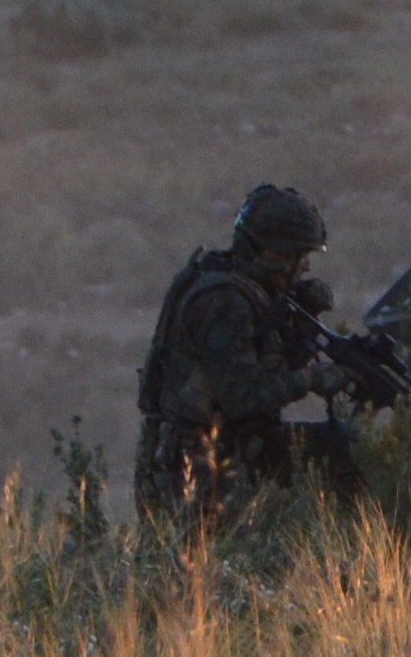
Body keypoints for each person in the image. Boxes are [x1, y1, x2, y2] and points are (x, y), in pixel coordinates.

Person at [134, 183, 372, 515]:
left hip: (230, 448)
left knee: (350, 451)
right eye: (300, 256)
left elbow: (259, 366)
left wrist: (298, 325)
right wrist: (310, 378)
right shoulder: (224, 303)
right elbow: (243, 396)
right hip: (193, 469)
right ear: (273, 253)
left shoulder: (242, 287)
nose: (305, 267)